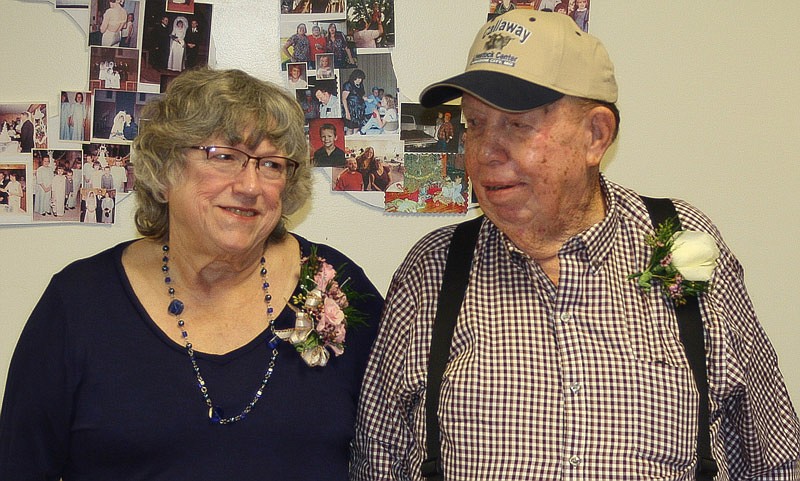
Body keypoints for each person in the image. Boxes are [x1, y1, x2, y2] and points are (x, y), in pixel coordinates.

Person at [351, 10, 800, 480]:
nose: (485, 151)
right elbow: (376, 462)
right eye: (476, 124)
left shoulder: (681, 241)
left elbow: (774, 460)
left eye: (517, 124)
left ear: (595, 135)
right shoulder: (433, 271)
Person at [0, 68, 383, 479]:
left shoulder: (337, 287)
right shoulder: (78, 304)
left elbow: (394, 452)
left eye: (271, 164)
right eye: (224, 157)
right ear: (164, 171)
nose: (251, 185)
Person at [342, 69, 366, 136]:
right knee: (350, 128)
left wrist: (364, 98)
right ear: (354, 77)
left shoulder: (360, 85)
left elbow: (360, 95)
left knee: (357, 128)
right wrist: (347, 112)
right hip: (351, 109)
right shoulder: (348, 85)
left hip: (359, 109)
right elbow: (344, 99)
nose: (360, 80)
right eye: (358, 78)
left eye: (361, 79)